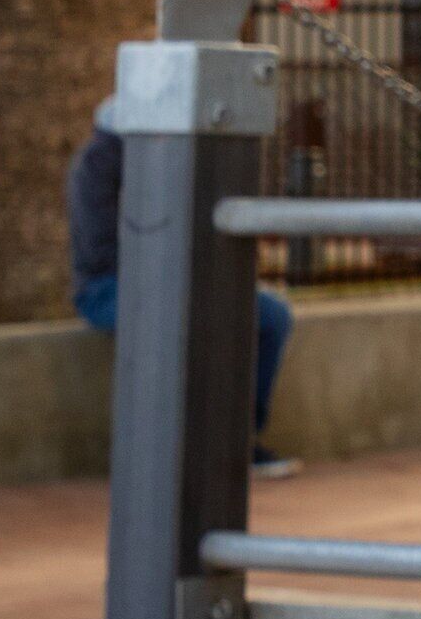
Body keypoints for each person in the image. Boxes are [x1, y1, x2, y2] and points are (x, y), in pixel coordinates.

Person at [71, 105, 299, 477]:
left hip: (176, 281)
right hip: (109, 288)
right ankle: (158, 452)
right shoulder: (100, 164)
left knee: (271, 316)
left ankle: (237, 442)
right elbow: (104, 250)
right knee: (174, 319)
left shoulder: (173, 159)